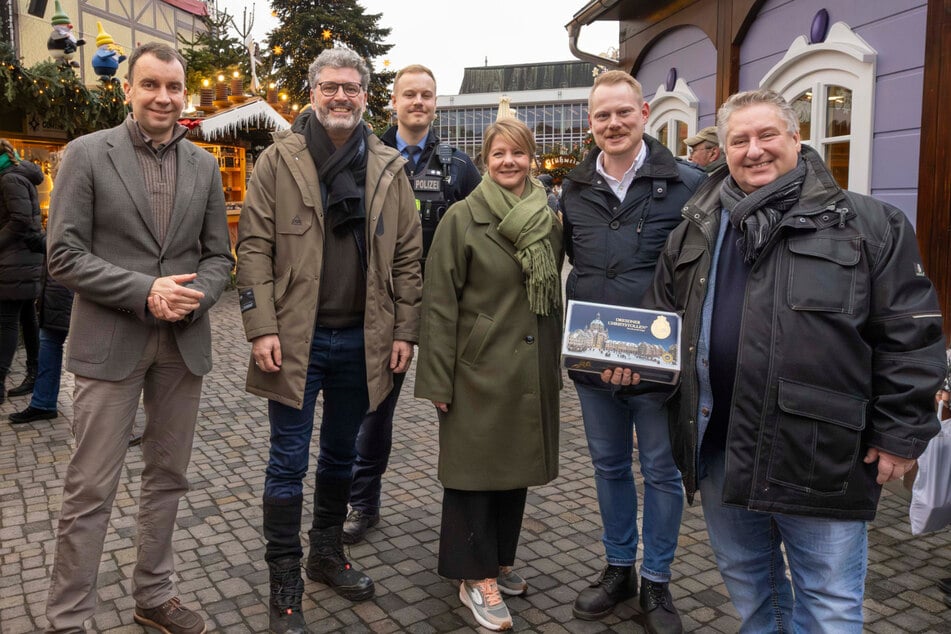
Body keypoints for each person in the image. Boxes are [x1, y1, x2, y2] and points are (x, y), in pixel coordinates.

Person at [635, 88, 945, 632]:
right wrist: (630, 365)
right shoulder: (697, 228)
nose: (754, 150)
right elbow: (663, 319)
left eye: (767, 135)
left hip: (821, 452)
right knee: (754, 592)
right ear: (724, 150)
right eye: (739, 140)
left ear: (797, 139)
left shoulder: (870, 224)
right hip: (721, 448)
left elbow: (910, 335)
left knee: (829, 604)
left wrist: (900, 431)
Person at [44, 42, 234, 634]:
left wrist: (195, 296)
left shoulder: (203, 165)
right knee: (90, 488)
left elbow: (218, 257)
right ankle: (68, 618)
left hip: (182, 341)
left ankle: (154, 596)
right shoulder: (86, 154)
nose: (163, 97)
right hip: (111, 340)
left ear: (184, 94)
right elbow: (63, 255)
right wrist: (145, 289)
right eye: (150, 84)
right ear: (128, 89)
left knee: (168, 478)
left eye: (173, 87)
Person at [236, 48, 422, 634]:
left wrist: (405, 330)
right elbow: (254, 248)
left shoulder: (388, 166)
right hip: (296, 340)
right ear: (312, 92)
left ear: (366, 95)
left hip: (364, 341)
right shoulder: (278, 160)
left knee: (342, 455)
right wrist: (261, 326)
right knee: (286, 462)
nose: (340, 96)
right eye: (329, 86)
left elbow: (408, 257)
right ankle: (284, 578)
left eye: (351, 87)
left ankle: (324, 553)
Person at [560, 70, 704, 633]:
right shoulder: (574, 189)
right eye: (603, 115)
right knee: (609, 466)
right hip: (594, 359)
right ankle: (619, 567)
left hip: (658, 366)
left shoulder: (688, 184)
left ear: (644, 113)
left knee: (662, 473)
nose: (614, 123)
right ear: (590, 122)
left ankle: (657, 580)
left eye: (624, 112)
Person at [415, 117, 563, 631]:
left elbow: (552, 298)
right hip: (475, 369)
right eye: (499, 153)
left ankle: (498, 561)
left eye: (518, 153)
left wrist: (554, 364)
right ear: (485, 159)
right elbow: (438, 303)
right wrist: (437, 379)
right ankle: (475, 577)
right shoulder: (462, 217)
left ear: (531, 159)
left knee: (513, 469)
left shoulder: (547, 218)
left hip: (528, 366)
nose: (508, 162)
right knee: (473, 475)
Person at [344, 63, 480, 545]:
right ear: (394, 102)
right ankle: (362, 503)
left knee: (460, 412)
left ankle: (468, 511)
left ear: (435, 103)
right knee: (373, 411)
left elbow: (482, 232)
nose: (418, 102)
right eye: (409, 95)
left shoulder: (460, 167)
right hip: (385, 305)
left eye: (426, 95)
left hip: (448, 307)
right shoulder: (364, 157)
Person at [0, 139, 44, 406]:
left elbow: (20, 220)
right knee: (27, 318)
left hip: (15, 260)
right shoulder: (14, 174)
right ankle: (35, 374)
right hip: (22, 258)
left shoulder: (9, 178)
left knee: (6, 322)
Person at [8, 260, 72, 424]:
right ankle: (43, 403)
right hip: (56, 290)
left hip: (63, 290)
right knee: (48, 342)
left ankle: (44, 402)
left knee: (51, 343)